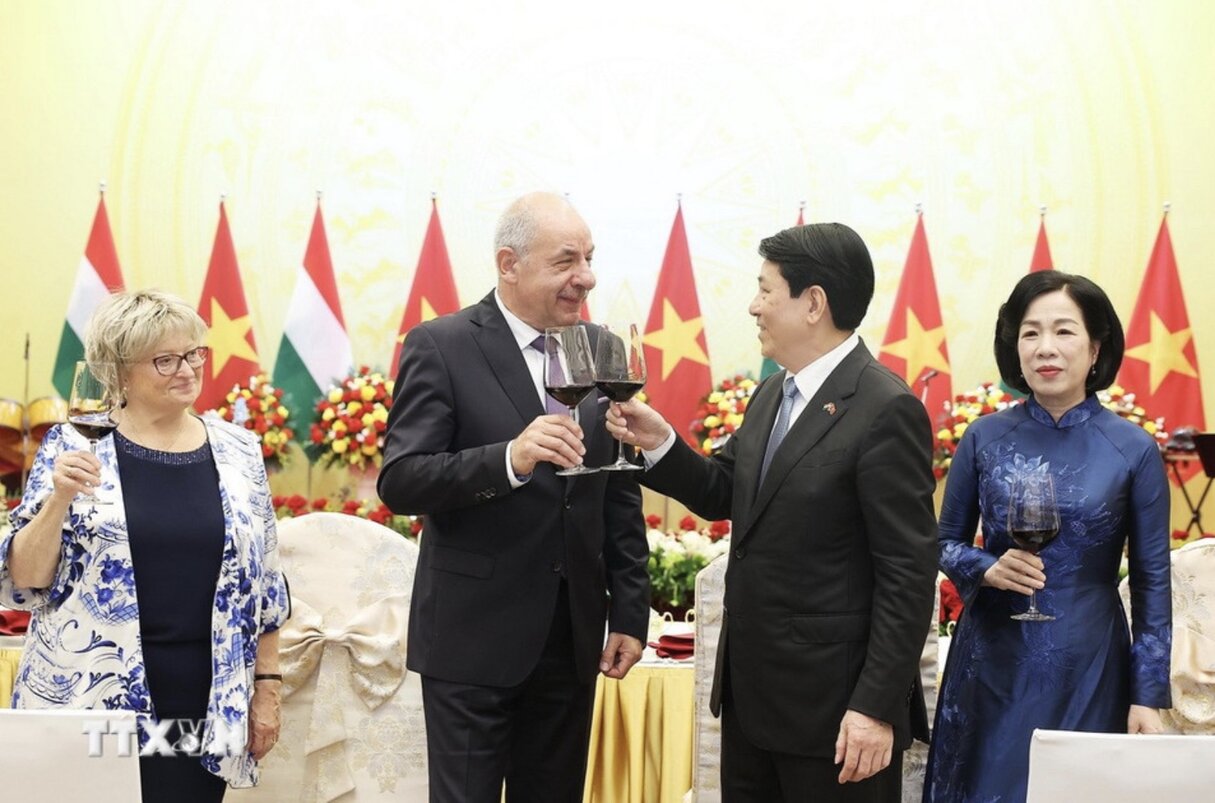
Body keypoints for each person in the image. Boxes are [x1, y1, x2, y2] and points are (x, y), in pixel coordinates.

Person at [607, 222, 938, 801]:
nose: (753, 306)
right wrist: (660, 443)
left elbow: (907, 573)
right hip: (753, 703)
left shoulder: (886, 408)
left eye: (765, 290)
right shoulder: (771, 394)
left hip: (835, 716)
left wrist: (874, 708)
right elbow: (722, 491)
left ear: (813, 303)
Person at [377, 191, 650, 803]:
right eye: (566, 261)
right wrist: (509, 459)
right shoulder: (441, 344)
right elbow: (403, 479)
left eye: (589, 257)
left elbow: (618, 494)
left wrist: (630, 611)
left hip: (571, 638)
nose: (586, 277)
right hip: (472, 641)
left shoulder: (603, 348)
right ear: (509, 264)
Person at [1, 290, 290, 801]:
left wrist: (267, 688)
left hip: (203, 701)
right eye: (165, 359)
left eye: (194, 353)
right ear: (118, 371)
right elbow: (24, 579)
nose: (187, 369)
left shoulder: (239, 451)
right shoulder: (72, 445)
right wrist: (58, 499)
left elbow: (266, 586)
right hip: (89, 698)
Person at [922, 271, 1172, 802]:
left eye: (1064, 331)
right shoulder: (984, 438)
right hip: (992, 659)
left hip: (1091, 661)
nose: (1045, 348)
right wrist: (982, 567)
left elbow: (1154, 582)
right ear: (1015, 348)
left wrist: (1147, 696)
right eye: (1030, 333)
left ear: (1096, 347)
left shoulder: (1134, 449)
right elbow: (940, 541)